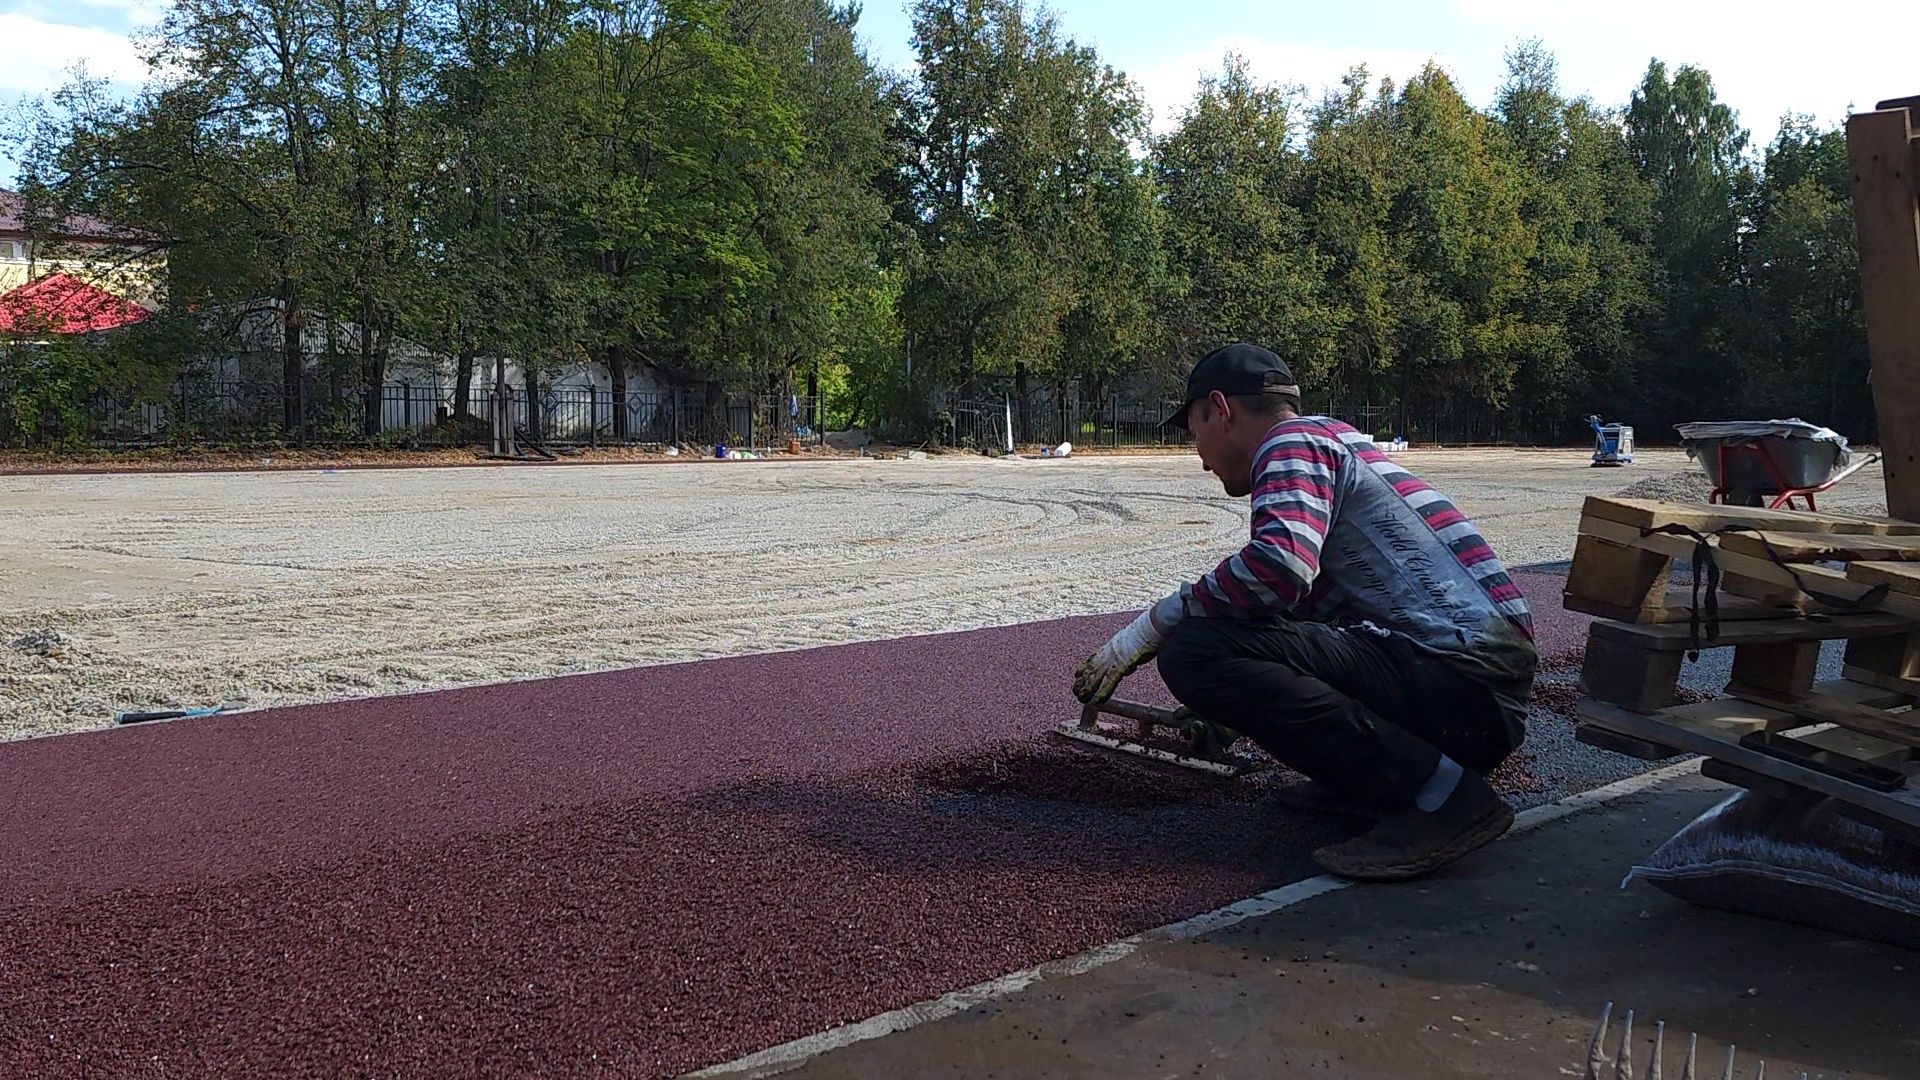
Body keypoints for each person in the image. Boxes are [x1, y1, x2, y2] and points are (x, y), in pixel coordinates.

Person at [1072, 343, 1537, 881]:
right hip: (1472, 702)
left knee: (1194, 650)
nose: (1199, 457)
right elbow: (1304, 617)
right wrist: (1235, 704)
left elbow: (1278, 569)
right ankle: (1383, 782)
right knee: (1226, 638)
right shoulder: (1337, 441)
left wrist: (1151, 625)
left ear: (1221, 409)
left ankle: (1444, 799)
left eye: (1194, 432)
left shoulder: (1290, 441)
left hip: (1466, 689)